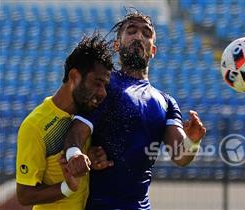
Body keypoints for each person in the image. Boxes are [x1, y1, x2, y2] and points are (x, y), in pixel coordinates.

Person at [64, 11, 206, 210]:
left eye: (146, 34)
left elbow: (181, 157)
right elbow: (76, 131)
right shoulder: (104, 85)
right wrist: (76, 154)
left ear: (153, 50)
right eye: (131, 31)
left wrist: (193, 141)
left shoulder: (166, 102)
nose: (139, 36)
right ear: (116, 45)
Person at [16, 32, 114, 210]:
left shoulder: (84, 117)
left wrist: (90, 159)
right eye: (97, 83)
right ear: (74, 76)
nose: (103, 93)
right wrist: (67, 187)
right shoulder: (35, 125)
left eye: (105, 86)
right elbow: (24, 194)